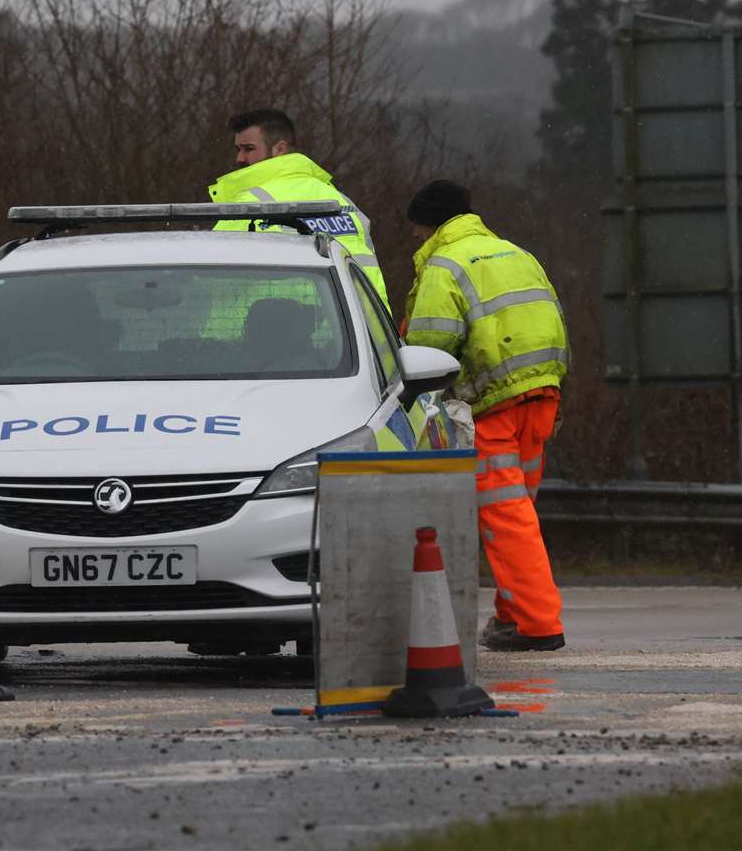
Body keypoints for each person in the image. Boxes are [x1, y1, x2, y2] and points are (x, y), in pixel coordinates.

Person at [400, 179, 569, 652]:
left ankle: (538, 625)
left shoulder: (444, 264)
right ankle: (512, 615)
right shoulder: (514, 253)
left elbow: (430, 346)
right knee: (518, 515)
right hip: (541, 397)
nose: (414, 239)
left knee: (506, 517)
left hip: (491, 402)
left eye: (416, 230)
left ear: (428, 224)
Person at [209, 108, 389, 310]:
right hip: (350, 336)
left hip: (261, 335)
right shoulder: (343, 203)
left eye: (249, 149)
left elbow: (208, 279)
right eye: (238, 149)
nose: (240, 158)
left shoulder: (248, 205)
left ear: (280, 149)